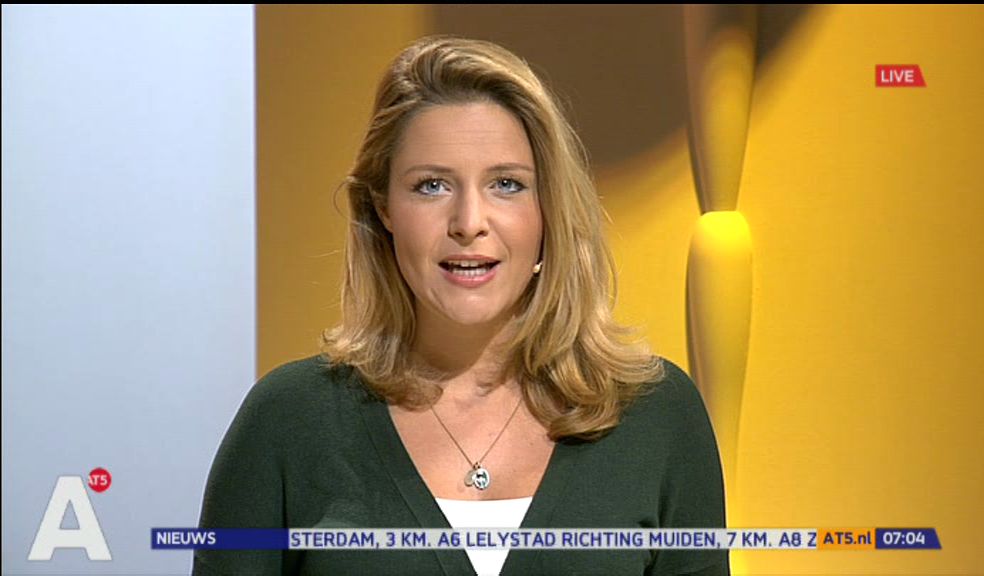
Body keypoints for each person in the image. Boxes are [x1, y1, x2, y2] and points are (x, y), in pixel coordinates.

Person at [194, 36, 728, 576]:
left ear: (549, 209)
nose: (469, 222)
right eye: (431, 185)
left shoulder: (657, 416)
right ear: (383, 208)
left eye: (506, 184)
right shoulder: (288, 421)